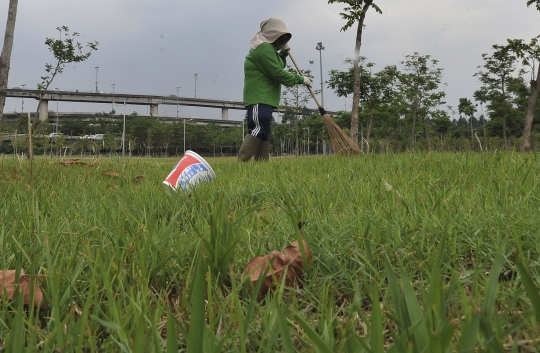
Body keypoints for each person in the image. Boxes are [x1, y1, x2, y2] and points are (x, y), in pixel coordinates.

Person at [238, 18, 313, 162]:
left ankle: (261, 166)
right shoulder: (263, 48)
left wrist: (283, 54)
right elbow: (277, 73)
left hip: (266, 98)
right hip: (259, 97)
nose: (282, 40)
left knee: (264, 133)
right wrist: (300, 79)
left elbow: (277, 65)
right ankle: (241, 163)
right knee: (257, 129)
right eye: (280, 37)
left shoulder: (269, 49)